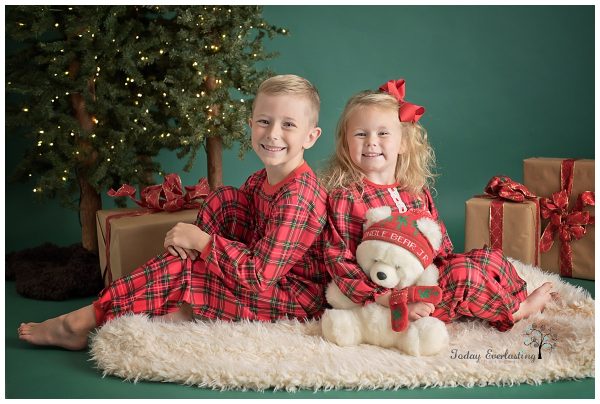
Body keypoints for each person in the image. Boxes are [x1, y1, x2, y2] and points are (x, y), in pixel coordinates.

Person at [18, 74, 330, 350]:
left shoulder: (299, 197)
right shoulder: (262, 179)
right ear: (250, 125)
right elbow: (232, 218)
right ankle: (180, 295)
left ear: (310, 136)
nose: (273, 133)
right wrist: (194, 245)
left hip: (292, 298)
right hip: (255, 269)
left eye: (288, 125)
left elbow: (260, 276)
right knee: (226, 200)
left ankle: (87, 319)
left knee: (193, 264)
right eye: (264, 121)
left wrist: (203, 242)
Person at [321, 78, 555, 332]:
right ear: (346, 143)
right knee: (463, 275)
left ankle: (515, 295)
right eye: (360, 134)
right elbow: (340, 261)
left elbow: (439, 244)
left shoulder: (414, 191)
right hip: (389, 295)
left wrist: (451, 265)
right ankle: (515, 311)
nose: (371, 141)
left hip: (425, 277)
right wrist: (390, 299)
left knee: (485, 257)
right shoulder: (346, 197)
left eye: (383, 133)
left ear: (403, 143)